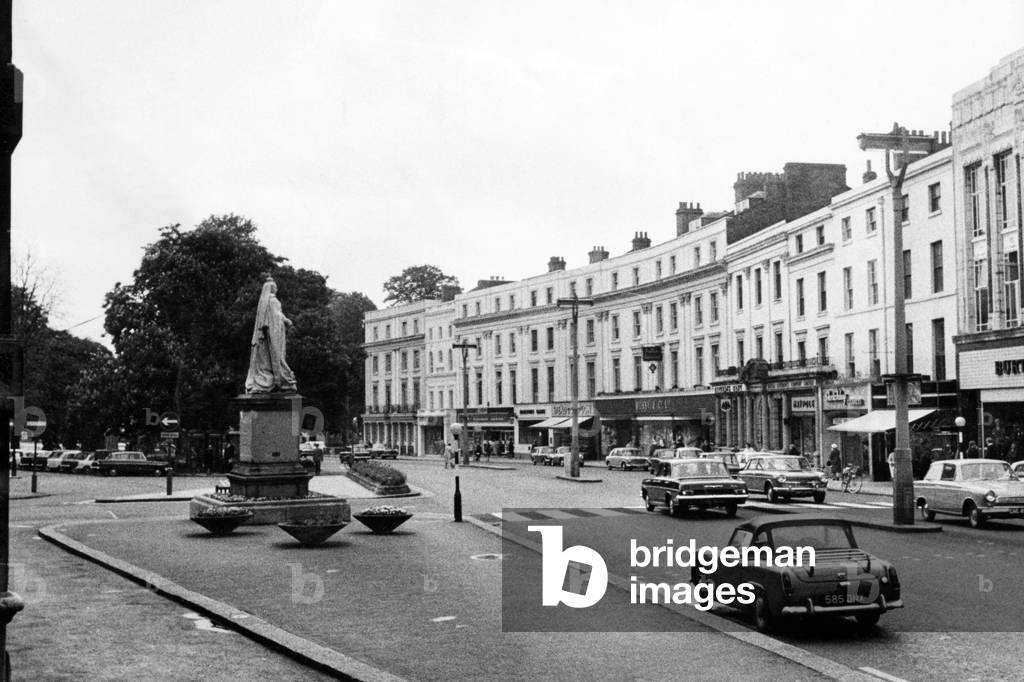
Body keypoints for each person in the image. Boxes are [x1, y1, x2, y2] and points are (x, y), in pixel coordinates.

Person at [245, 277, 297, 394]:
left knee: (272, 355)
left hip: (272, 332)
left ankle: (276, 379)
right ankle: (280, 380)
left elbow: (277, 314)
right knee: (275, 354)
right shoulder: (271, 301)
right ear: (271, 288)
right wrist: (286, 320)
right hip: (272, 332)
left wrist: (284, 319)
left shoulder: (267, 301)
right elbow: (276, 315)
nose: (276, 289)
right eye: (275, 287)